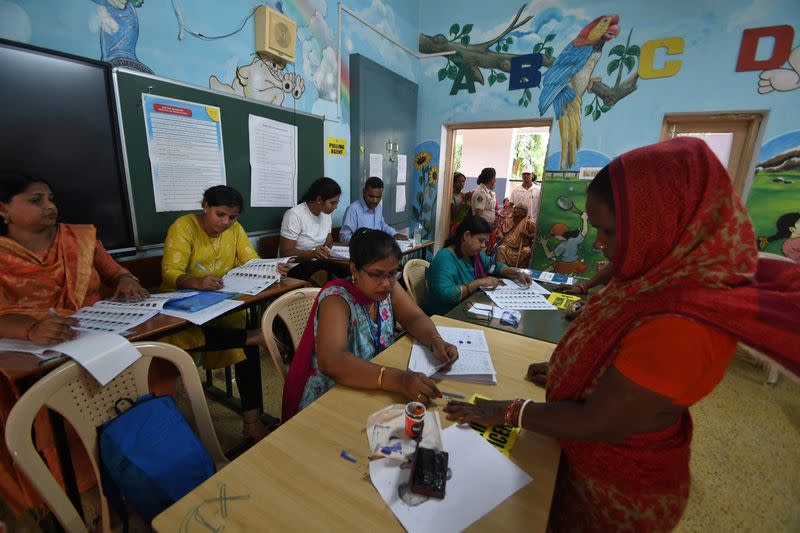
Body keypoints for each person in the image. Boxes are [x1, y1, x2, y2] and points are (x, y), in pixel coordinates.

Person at [443, 137, 800, 532]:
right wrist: (571, 370)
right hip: (581, 460)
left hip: (613, 496)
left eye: (607, 232)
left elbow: (599, 421)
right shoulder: (658, 276)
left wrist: (505, 411)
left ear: (660, 223)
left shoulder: (684, 325)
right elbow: (614, 347)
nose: (598, 244)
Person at [0, 172, 150, 514]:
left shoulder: (79, 238)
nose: (50, 206)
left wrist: (126, 280)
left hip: (99, 341)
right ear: (3, 209)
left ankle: (137, 475)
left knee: (150, 379)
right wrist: (29, 329)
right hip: (37, 362)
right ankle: (93, 504)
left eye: (50, 198)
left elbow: (116, 272)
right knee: (54, 422)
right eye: (35, 200)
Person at [281, 229, 459, 421]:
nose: (386, 283)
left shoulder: (389, 287)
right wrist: (399, 380)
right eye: (376, 274)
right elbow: (332, 362)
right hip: (331, 395)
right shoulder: (337, 299)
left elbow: (414, 318)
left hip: (372, 380)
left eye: (393, 273)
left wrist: (435, 340)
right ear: (354, 269)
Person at [161, 185, 269, 440]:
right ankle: (251, 337)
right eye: (220, 214)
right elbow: (169, 271)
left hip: (221, 304)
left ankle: (251, 421)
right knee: (247, 338)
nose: (226, 222)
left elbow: (250, 260)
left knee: (247, 347)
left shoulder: (235, 230)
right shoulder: (184, 227)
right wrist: (194, 281)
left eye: (232, 217)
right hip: (181, 309)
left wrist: (269, 270)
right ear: (205, 207)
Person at [424, 215, 532, 316]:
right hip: (446, 315)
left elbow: (494, 266)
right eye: (481, 241)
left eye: (485, 242)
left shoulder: (475, 255)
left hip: (468, 308)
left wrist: (516, 273)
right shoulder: (445, 258)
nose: (483, 246)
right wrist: (477, 283)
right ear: (466, 236)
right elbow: (447, 295)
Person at [280, 177, 349, 281]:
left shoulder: (326, 214)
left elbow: (328, 244)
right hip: (296, 266)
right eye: (332, 203)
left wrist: (347, 250)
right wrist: (312, 254)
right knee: (323, 273)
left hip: (319, 262)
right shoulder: (294, 215)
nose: (336, 207)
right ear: (319, 200)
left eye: (337, 202)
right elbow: (285, 253)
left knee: (349, 270)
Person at [339, 177, 407, 243]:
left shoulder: (378, 207)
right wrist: (363, 242)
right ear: (364, 192)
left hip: (377, 248)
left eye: (378, 197)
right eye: (371, 196)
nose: (375, 201)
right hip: (362, 251)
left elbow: (382, 225)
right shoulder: (353, 209)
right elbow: (343, 236)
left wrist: (394, 234)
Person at [496, 203, 537, 268]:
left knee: (526, 251)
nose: (515, 210)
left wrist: (528, 236)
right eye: (515, 208)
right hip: (508, 246)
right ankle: (502, 269)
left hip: (522, 247)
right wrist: (500, 235)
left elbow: (537, 234)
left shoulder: (528, 222)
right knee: (501, 248)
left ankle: (518, 270)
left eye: (519, 209)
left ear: (524, 213)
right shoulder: (509, 221)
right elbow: (503, 232)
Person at [449, 172, 472, 237]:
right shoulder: (451, 196)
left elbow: (469, 212)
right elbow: (454, 214)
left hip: (464, 226)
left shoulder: (463, 195)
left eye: (463, 181)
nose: (462, 184)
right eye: (459, 181)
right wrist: (464, 201)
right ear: (453, 182)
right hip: (455, 228)